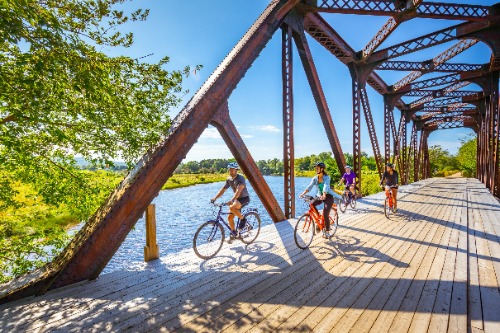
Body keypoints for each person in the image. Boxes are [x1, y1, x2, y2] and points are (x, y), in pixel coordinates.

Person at [299, 162, 341, 239]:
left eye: (317, 168)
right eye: (316, 168)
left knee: (325, 214)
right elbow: (309, 187)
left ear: (322, 169)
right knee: (311, 204)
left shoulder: (327, 177)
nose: (316, 169)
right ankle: (318, 219)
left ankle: (327, 231)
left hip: (328, 196)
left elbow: (326, 186)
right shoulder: (315, 178)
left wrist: (324, 194)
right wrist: (303, 193)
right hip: (320, 196)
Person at [211, 162, 250, 242]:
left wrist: (232, 200)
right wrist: (215, 198)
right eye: (230, 170)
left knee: (232, 207)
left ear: (236, 170)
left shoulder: (241, 178)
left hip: (244, 199)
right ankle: (234, 234)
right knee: (229, 217)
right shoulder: (229, 179)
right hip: (236, 199)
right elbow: (223, 190)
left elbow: (238, 191)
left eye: (233, 170)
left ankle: (243, 220)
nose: (231, 172)